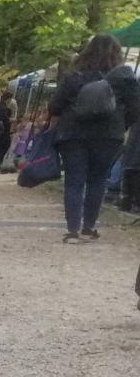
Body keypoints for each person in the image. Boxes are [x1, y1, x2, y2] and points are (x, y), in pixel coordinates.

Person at [46, 34, 140, 244]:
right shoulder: (125, 78)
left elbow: (55, 107)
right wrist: (120, 124)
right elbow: (135, 111)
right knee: (98, 180)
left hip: (73, 134)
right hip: (109, 135)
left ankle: (72, 229)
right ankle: (88, 227)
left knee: (74, 181)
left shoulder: (74, 75)